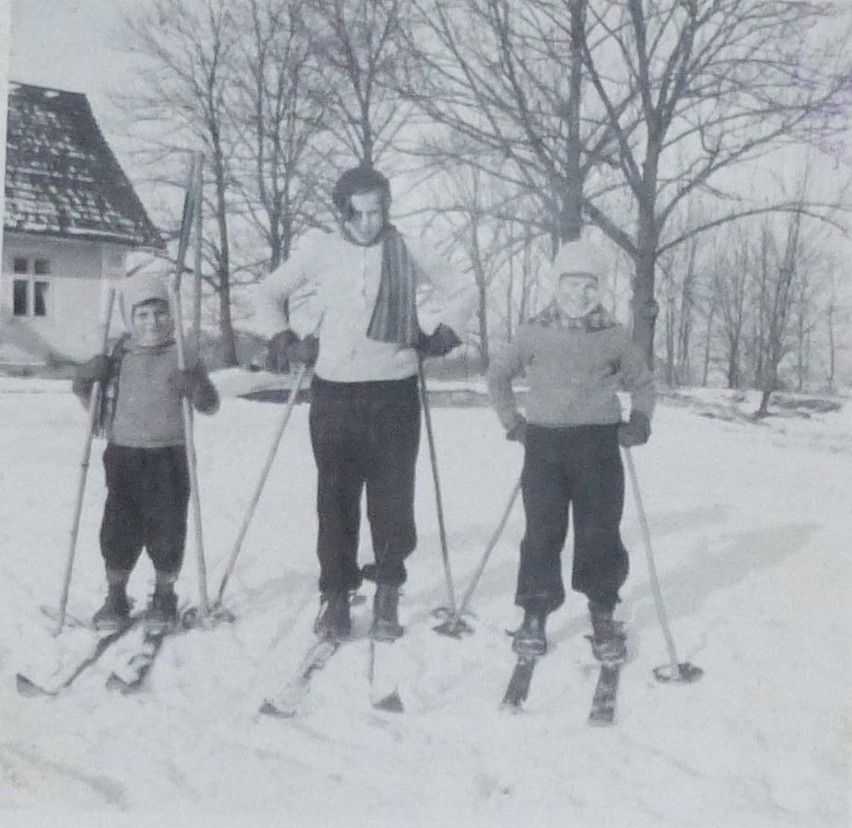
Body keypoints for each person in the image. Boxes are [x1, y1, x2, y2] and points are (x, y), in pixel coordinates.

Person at [252, 165, 475, 643]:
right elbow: (266, 295)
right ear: (343, 211)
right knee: (335, 498)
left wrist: (445, 334)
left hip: (393, 390)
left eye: (379, 210)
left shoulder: (407, 248)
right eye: (361, 212)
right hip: (336, 392)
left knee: (393, 499)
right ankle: (335, 593)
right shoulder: (320, 251)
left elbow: (464, 288)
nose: (372, 222)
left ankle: (388, 590)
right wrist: (287, 340)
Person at [486, 236, 655, 663]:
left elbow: (642, 381)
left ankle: (602, 611)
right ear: (555, 284)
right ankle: (535, 613)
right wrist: (514, 423)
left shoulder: (614, 336)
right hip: (544, 445)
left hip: (597, 446)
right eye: (569, 285)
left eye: (589, 287)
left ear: (600, 290)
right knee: (542, 532)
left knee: (599, 531)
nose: (577, 296)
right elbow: (498, 375)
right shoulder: (533, 332)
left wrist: (640, 419)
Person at [72, 273, 220, 631]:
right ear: (129, 317)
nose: (152, 323)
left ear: (171, 315)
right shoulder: (118, 355)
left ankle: (164, 595)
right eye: (142, 315)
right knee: (118, 527)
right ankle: (116, 595)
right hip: (124, 454)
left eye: (159, 314)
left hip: (170, 455)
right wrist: (84, 379)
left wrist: (196, 386)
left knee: (167, 528)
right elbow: (90, 402)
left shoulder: (183, 354)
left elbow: (210, 403)